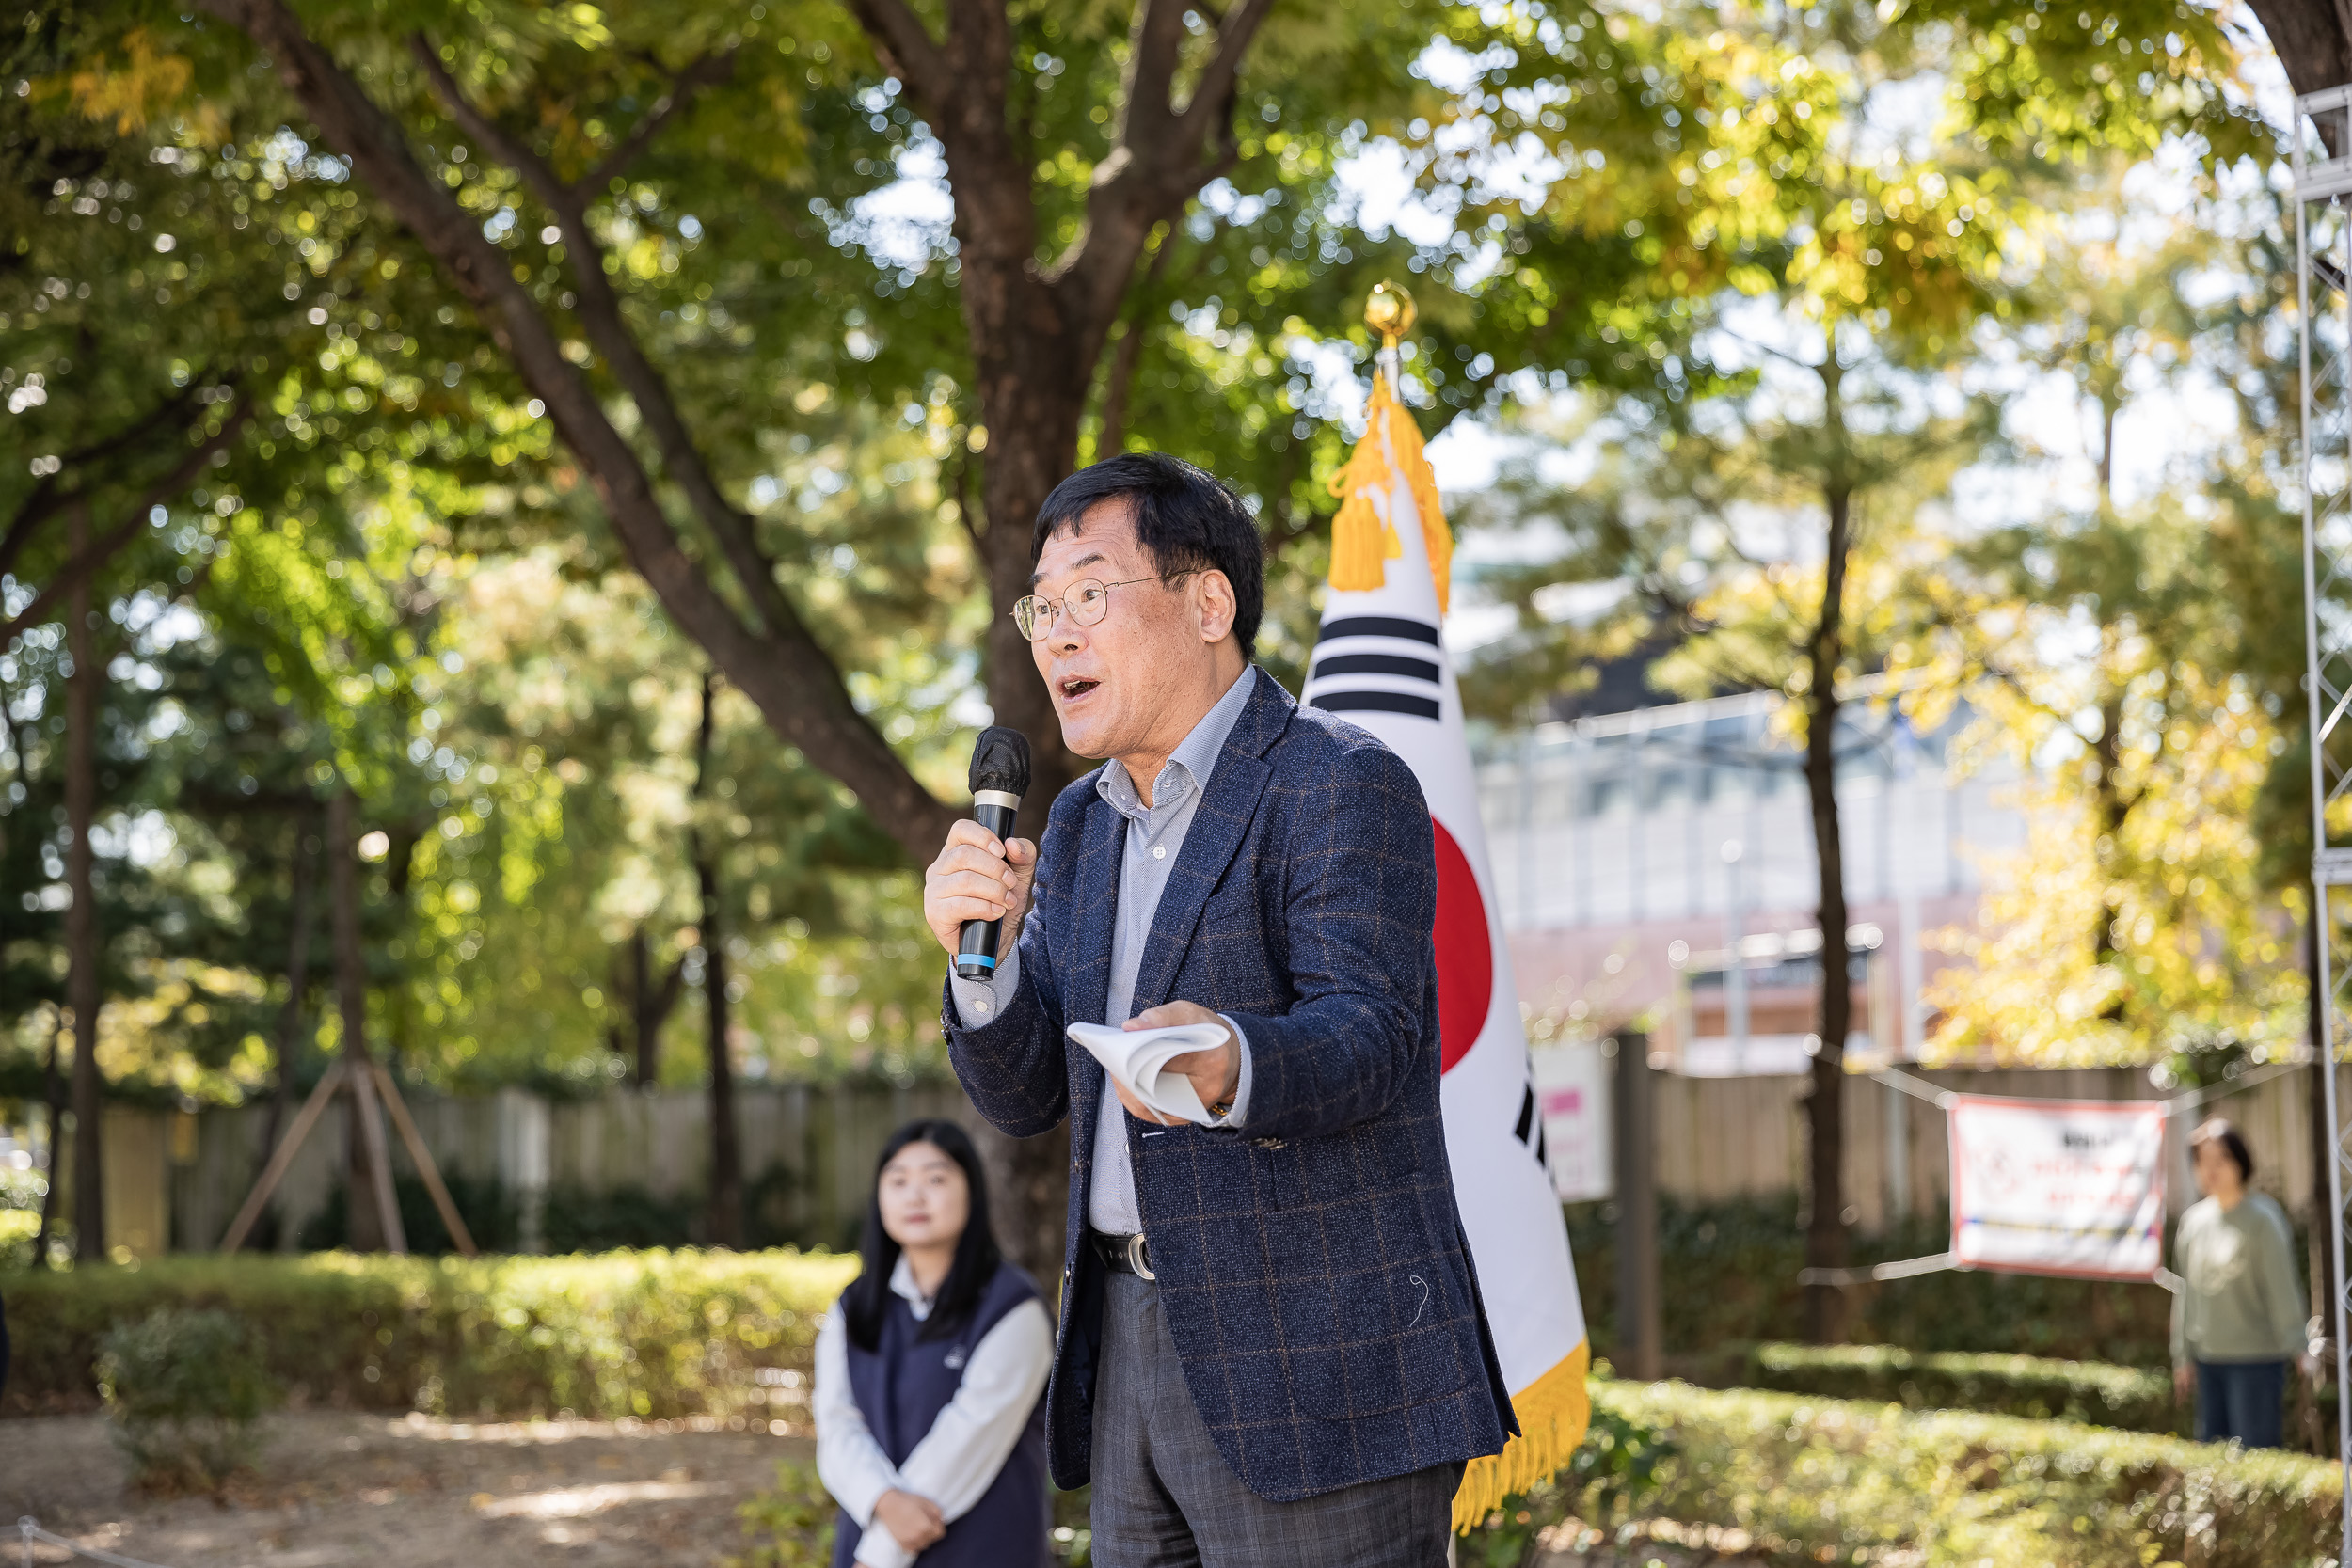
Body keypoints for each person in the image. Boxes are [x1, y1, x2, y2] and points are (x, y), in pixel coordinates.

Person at [923, 451, 1515, 1567]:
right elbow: (1026, 1093)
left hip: (1320, 1367)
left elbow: (1374, 1032)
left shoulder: (1337, 776)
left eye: (1089, 593)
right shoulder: (1081, 825)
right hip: (1129, 1347)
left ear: (1208, 602)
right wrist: (976, 962)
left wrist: (1227, 1058)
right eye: (1040, 607)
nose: (1055, 634)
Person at [814, 1119, 1053, 1568]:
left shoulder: (1013, 1307)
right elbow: (837, 1425)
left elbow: (969, 1438)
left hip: (981, 1547)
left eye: (936, 1178)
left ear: (972, 1192)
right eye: (898, 1180)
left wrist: (883, 1552)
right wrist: (881, 1499)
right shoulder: (854, 1307)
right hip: (867, 1536)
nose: (914, 1196)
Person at [2171, 1117, 2310, 1449]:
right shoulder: (2193, 1222)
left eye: (2221, 1160)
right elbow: (2186, 1293)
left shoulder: (2263, 1219)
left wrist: (2298, 1346)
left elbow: (2282, 1287)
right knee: (2211, 1460)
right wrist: (2182, 1356)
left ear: (2241, 1161)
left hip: (2256, 1361)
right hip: (2208, 1360)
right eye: (2202, 1162)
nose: (2211, 1170)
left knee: (2256, 1456)